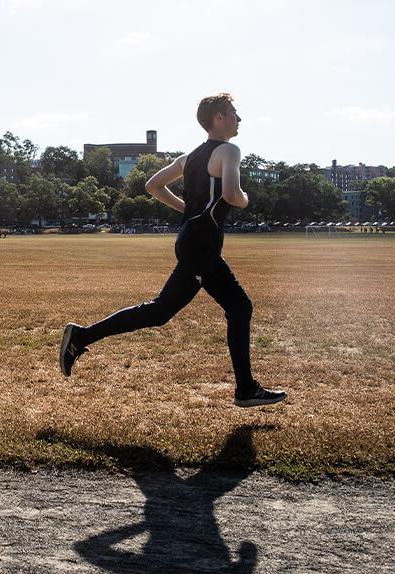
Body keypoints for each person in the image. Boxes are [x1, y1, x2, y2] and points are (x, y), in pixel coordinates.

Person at [60, 93, 286, 408]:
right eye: (234, 112)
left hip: (193, 241)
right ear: (218, 118)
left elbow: (152, 184)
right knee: (223, 308)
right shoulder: (229, 151)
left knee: (179, 310)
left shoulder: (189, 157)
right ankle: (245, 389)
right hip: (201, 244)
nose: (239, 118)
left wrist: (187, 209)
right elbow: (234, 195)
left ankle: (82, 337)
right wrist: (245, 199)